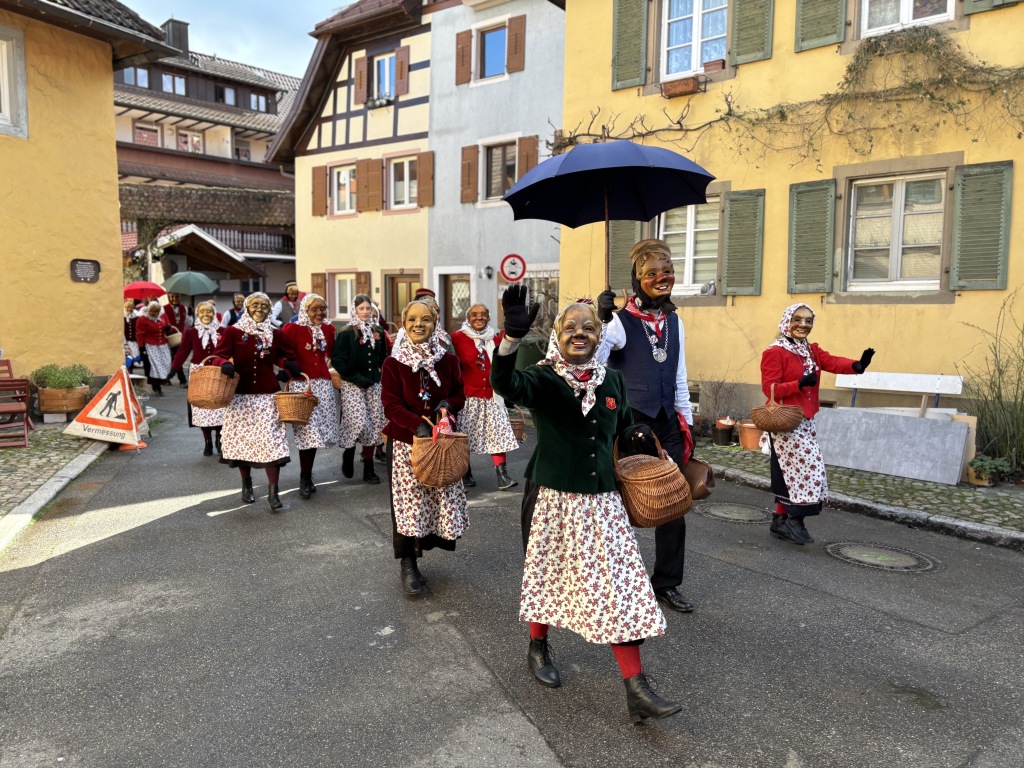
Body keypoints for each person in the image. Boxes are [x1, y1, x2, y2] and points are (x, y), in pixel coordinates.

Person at [491, 285, 681, 724]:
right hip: (553, 499)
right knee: (548, 577)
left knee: (622, 588)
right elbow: (505, 383)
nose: (581, 333)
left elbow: (625, 428)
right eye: (571, 327)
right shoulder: (542, 377)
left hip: (603, 503)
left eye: (589, 327)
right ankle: (538, 647)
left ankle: (637, 688)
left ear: (600, 336)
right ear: (557, 334)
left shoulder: (612, 380)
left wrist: (640, 440)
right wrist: (511, 338)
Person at [597, 239, 695, 615]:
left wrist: (685, 420)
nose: (661, 277)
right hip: (630, 422)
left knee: (673, 500)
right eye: (651, 272)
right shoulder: (620, 320)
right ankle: (620, 581)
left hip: (666, 421)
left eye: (666, 271)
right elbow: (599, 361)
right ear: (637, 279)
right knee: (621, 502)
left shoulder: (674, 321)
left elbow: (680, 374)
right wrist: (604, 320)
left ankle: (667, 582)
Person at [761, 304, 875, 544]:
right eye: (797, 319)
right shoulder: (775, 352)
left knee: (790, 474)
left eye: (809, 320)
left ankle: (779, 522)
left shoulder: (811, 350)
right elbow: (769, 388)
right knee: (809, 471)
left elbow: (832, 362)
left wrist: (858, 365)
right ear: (786, 321)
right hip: (785, 422)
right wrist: (799, 384)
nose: (803, 324)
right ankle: (796, 520)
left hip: (806, 419)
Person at [381, 299, 466, 595]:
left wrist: (448, 405)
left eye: (426, 319)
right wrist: (413, 423)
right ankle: (408, 564)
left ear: (435, 323)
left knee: (435, 497)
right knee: (407, 505)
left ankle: (427, 544)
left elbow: (458, 395)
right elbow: (390, 404)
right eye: (413, 319)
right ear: (404, 323)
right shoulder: (394, 362)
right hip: (406, 443)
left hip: (440, 443)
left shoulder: (448, 360)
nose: (419, 324)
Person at [210, 292, 294, 512]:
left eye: (264, 305)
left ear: (269, 309)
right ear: (247, 308)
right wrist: (224, 364)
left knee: (272, 441)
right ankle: (246, 485)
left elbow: (282, 357)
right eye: (255, 305)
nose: (259, 308)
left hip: (268, 395)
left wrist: (286, 369)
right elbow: (219, 354)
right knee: (243, 442)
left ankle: (273, 492)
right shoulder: (233, 331)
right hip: (240, 396)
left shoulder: (275, 333)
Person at [451, 303, 519, 490]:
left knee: (497, 434)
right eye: (474, 314)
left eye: (483, 314)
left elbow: (504, 366)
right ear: (468, 318)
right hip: (468, 397)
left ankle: (502, 476)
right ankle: (465, 473)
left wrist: (508, 391)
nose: (479, 317)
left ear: (488, 318)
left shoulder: (496, 339)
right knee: (464, 437)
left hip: (492, 396)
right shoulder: (457, 338)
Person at [281, 293, 339, 498]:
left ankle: (307, 473)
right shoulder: (292, 329)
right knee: (308, 433)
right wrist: (287, 368)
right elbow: (282, 353)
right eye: (314, 309)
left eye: (322, 308)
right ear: (305, 310)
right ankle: (304, 477)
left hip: (323, 384)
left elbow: (334, 354)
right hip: (302, 385)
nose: (319, 313)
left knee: (317, 435)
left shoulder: (329, 329)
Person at [333, 294, 387, 485]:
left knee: (373, 425)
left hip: (373, 385)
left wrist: (382, 376)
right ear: (354, 310)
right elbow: (338, 360)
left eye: (368, 308)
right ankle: (348, 452)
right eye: (362, 308)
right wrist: (357, 378)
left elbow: (383, 359)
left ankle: (368, 467)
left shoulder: (378, 330)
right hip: (353, 385)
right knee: (357, 422)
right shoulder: (346, 332)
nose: (365, 312)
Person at [170, 301, 225, 457]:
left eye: (209, 311)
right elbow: (182, 351)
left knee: (220, 406)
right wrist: (174, 368)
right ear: (198, 314)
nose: (206, 314)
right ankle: (207, 441)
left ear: (214, 313)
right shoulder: (191, 332)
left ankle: (219, 438)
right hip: (198, 372)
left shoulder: (222, 330)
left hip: (218, 372)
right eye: (203, 312)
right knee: (202, 408)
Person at [135, 301, 173, 397]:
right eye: (153, 312)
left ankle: (161, 381)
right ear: (149, 310)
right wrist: (141, 348)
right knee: (154, 366)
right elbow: (140, 334)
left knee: (166, 363)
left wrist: (168, 328)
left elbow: (168, 327)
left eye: (157, 312)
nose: (155, 314)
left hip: (163, 345)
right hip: (150, 346)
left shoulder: (162, 317)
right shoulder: (142, 319)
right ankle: (156, 386)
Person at [162, 293, 191, 388]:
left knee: (176, 357)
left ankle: (169, 378)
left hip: (179, 336)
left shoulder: (184, 308)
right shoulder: (164, 308)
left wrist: (190, 314)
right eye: (172, 297)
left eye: (177, 297)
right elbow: (161, 321)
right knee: (174, 358)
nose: (174, 299)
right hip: (169, 336)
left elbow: (188, 323)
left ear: (180, 298)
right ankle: (181, 380)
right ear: (169, 298)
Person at [122, 298, 140, 368]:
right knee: (126, 355)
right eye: (127, 307)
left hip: (134, 340)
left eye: (131, 307)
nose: (129, 309)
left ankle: (133, 365)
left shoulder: (137, 316)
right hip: (125, 340)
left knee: (134, 353)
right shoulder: (122, 316)